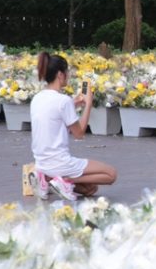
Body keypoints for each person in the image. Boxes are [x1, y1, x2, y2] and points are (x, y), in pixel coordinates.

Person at [29, 52, 117, 200]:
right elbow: (79, 133)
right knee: (110, 174)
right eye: (67, 72)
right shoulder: (63, 101)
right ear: (60, 75)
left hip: (42, 163)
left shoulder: (37, 98)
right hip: (60, 162)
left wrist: (73, 103)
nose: (68, 75)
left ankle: (47, 179)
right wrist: (88, 104)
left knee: (90, 189)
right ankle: (61, 181)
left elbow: (53, 114)